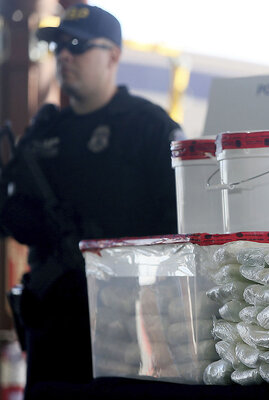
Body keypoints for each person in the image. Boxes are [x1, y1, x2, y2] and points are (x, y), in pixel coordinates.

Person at [0, 4, 184, 393]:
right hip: (51, 322)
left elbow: (180, 225)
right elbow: (10, 212)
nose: (64, 56)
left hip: (126, 323)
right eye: (59, 46)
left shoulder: (148, 128)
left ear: (113, 56)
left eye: (78, 46)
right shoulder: (45, 132)